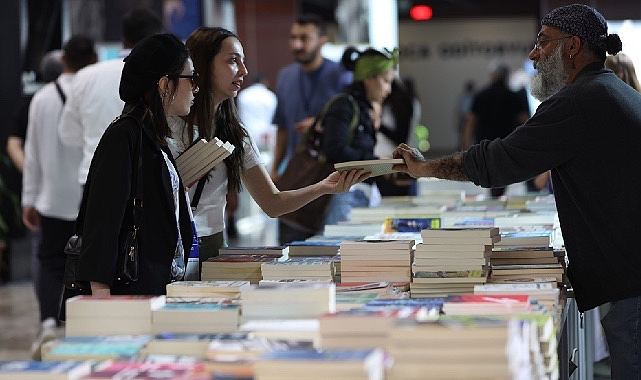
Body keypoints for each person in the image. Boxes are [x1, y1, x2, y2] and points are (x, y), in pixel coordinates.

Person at [392, 4, 641, 378]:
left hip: (631, 281)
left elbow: (499, 161)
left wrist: (424, 169)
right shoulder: (611, 91)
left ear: (572, 47)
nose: (533, 54)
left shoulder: (579, 101)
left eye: (542, 43)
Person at [167, 27, 368, 274]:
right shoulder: (166, 127)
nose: (243, 71)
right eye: (232, 61)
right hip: (168, 246)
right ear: (204, 65)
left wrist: (325, 187)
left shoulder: (235, 134)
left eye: (243, 61)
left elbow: (272, 203)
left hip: (213, 249)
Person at [75, 34, 196, 297]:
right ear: (165, 84)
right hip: (132, 293)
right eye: (191, 79)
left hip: (158, 287)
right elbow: (103, 222)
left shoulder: (152, 134)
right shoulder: (124, 135)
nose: (195, 88)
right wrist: (101, 296)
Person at [22, 35, 96, 358]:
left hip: (51, 200)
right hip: (88, 199)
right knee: (88, 268)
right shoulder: (94, 91)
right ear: (93, 58)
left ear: (64, 59)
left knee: (52, 264)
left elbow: (32, 154)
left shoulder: (41, 99)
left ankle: (50, 323)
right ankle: (81, 331)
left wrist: (29, 199)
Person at [271, 13, 352, 245]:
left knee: (330, 252)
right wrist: (276, 169)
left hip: (332, 179)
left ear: (322, 40)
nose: (297, 44)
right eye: (293, 38)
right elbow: (282, 127)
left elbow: (355, 122)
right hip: (296, 177)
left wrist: (321, 125)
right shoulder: (285, 77)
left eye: (304, 38)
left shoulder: (341, 76)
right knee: (289, 250)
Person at [59, 8, 163, 186]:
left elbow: (67, 134)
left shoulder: (86, 76)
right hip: (145, 180)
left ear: (123, 37)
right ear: (157, 37)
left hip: (95, 175)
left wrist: (95, 139)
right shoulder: (161, 77)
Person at [321, 46, 397, 226]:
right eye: (386, 81)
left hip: (360, 194)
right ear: (369, 78)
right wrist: (375, 162)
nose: (389, 89)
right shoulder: (344, 105)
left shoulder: (365, 109)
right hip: (343, 197)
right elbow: (334, 150)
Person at [461, 60, 530, 197]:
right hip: (506, 143)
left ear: (492, 75)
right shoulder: (514, 96)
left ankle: (493, 197)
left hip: (484, 144)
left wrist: (465, 143)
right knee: (502, 175)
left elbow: (470, 122)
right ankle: (498, 196)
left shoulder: (480, 95)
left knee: (487, 174)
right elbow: (526, 121)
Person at [376, 76, 421, 196]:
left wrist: (379, 125)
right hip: (392, 162)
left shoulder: (401, 105)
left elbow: (401, 138)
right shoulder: (392, 105)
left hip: (395, 163)